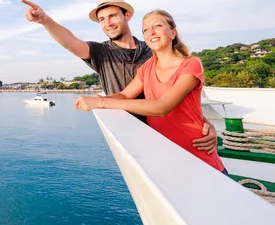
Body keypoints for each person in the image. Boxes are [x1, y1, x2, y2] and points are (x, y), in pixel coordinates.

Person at [22, 0, 217, 154]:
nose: (108, 23)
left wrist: (201, 121)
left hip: (164, 132)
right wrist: (45, 21)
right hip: (133, 135)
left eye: (113, 16)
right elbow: (71, 42)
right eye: (102, 19)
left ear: (127, 16)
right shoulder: (101, 52)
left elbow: (177, 94)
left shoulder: (152, 50)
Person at [74, 10, 226, 173]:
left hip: (197, 154)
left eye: (158, 26)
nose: (151, 32)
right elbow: (125, 95)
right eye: (145, 30)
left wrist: (102, 102)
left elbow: (162, 107)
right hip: (165, 156)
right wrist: (97, 100)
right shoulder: (148, 67)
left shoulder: (190, 64)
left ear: (172, 33)